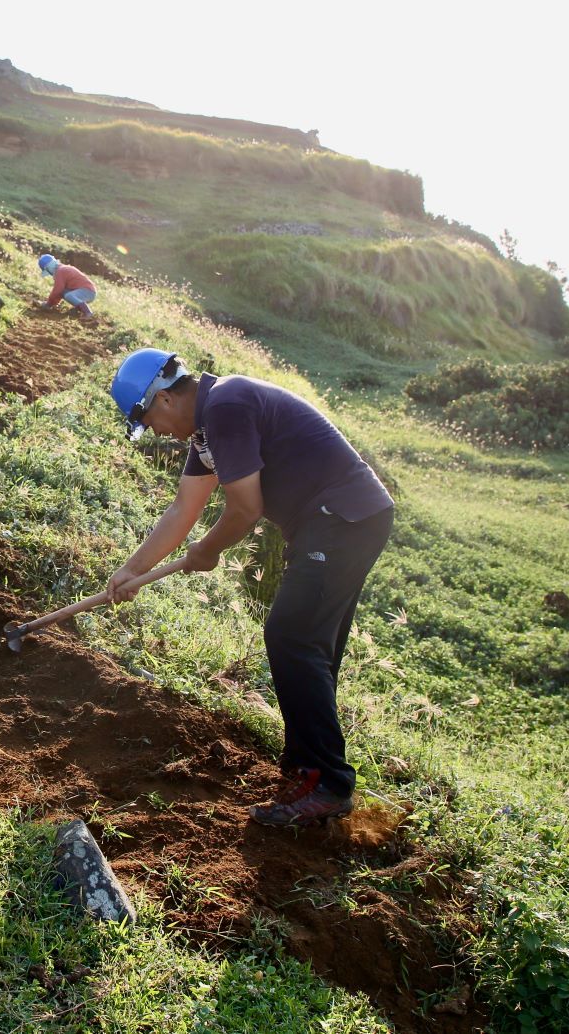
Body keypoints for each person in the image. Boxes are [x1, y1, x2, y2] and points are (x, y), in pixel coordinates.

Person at [104, 349, 395, 827]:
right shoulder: (206, 428)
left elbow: (244, 508)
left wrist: (208, 551)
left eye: (147, 419)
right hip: (337, 522)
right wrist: (132, 570)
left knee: (292, 637)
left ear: (164, 399)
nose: (155, 431)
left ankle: (328, 783)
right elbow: (184, 508)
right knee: (308, 645)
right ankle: (308, 772)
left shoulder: (225, 407)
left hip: (343, 518)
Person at [37, 253, 97, 319]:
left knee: (69, 295)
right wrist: (52, 303)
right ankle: (77, 310)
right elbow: (60, 291)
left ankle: (88, 312)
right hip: (85, 290)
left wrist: (48, 303)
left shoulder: (60, 271)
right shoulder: (62, 269)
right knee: (64, 292)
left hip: (88, 291)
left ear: (49, 268)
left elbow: (57, 290)